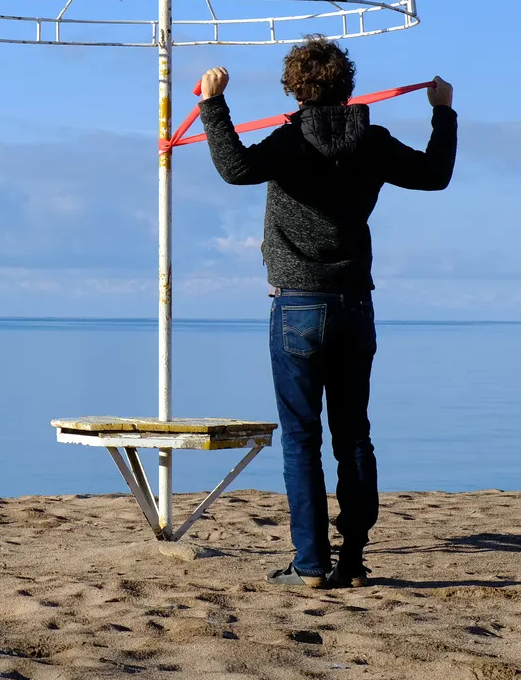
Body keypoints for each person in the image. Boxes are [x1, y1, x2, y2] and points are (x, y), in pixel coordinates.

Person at [195, 37, 455, 590]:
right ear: (347, 85)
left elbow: (236, 169)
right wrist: (443, 112)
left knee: (302, 439)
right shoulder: (373, 141)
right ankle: (353, 560)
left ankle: (311, 563)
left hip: (298, 303)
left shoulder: (291, 140)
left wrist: (213, 105)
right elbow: (435, 174)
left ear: (294, 88)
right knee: (353, 435)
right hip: (354, 302)